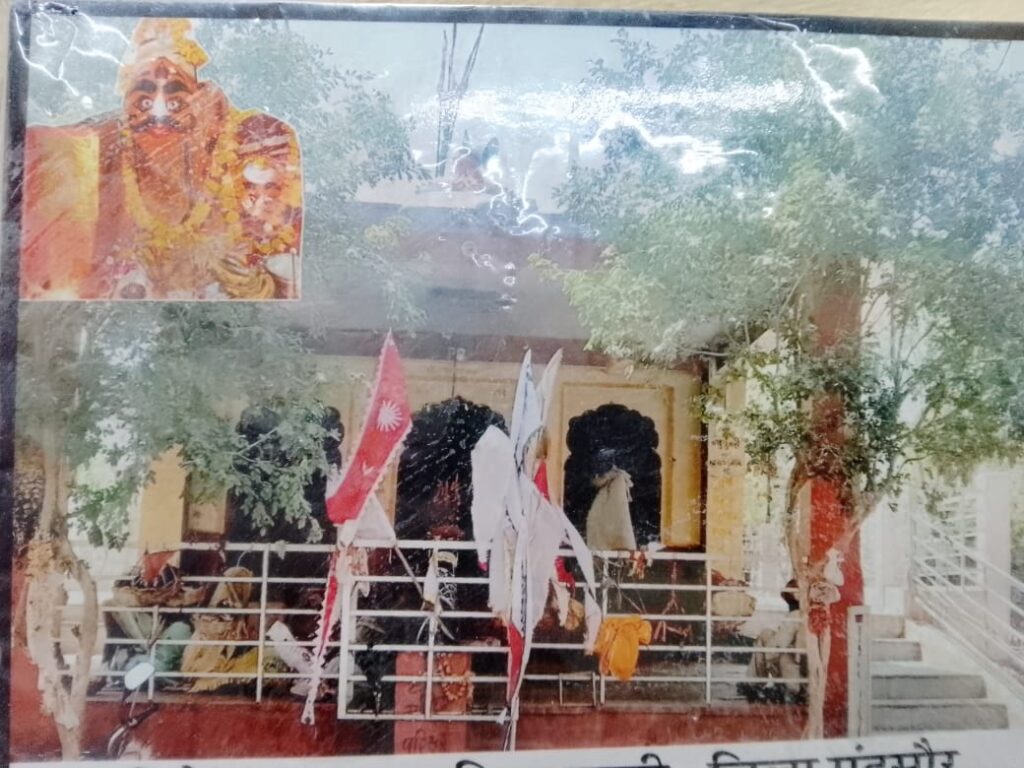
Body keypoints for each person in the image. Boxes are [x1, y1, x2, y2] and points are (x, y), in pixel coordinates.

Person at [20, 18, 302, 300]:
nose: (158, 114)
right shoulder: (88, 150)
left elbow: (285, 286)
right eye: (143, 99)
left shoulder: (258, 141)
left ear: (200, 96)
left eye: (175, 99)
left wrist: (256, 286)